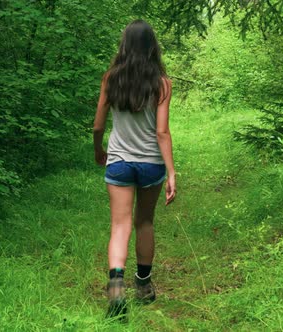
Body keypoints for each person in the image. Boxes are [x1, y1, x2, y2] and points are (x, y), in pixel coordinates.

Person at [93, 19, 176, 319]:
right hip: (151, 164)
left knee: (120, 225)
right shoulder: (161, 84)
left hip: (119, 162)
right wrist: (171, 172)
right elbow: (162, 132)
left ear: (124, 45)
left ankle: (116, 287)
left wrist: (98, 149)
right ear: (153, 46)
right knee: (144, 222)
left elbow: (99, 124)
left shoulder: (110, 79)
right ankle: (143, 285)